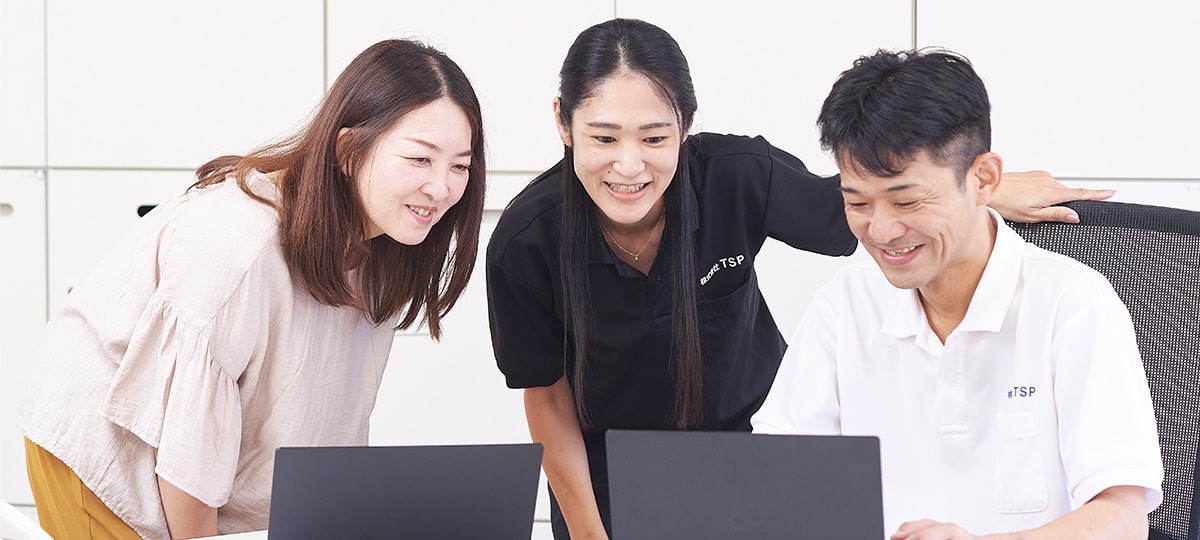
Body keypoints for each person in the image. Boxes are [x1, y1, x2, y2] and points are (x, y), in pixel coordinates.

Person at [485, 18, 1115, 540]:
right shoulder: (524, 241)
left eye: (655, 137)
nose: (629, 166)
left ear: (686, 128)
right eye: (603, 137)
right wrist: (591, 536)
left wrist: (976, 191)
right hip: (608, 484)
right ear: (563, 124)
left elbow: (857, 206)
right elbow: (547, 401)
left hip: (753, 463)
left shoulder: (736, 175)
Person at [21, 39, 486, 539]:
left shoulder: (388, 238)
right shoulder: (234, 246)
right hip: (110, 461)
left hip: (202, 464)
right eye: (419, 159)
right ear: (349, 151)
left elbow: (327, 424)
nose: (441, 188)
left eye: (459, 166)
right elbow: (186, 455)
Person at [751, 49, 1163, 538]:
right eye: (857, 203)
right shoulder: (845, 306)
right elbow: (777, 481)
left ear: (983, 179)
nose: (881, 231)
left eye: (907, 201)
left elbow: (1122, 518)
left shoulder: (1071, 304)